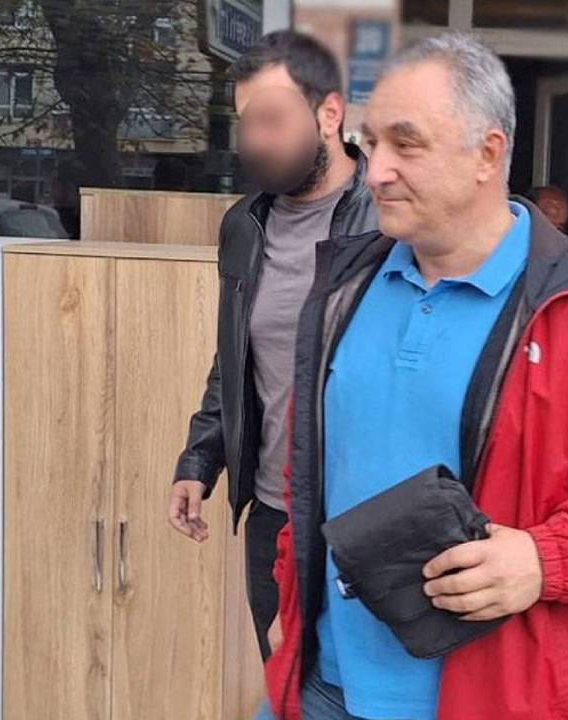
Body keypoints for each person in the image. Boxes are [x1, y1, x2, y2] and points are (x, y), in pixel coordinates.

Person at [260, 33, 568, 720]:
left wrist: (546, 559)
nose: (375, 171)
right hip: (325, 686)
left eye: (406, 144)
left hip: (508, 695)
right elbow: (310, 470)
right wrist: (290, 600)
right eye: (370, 143)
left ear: (488, 154)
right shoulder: (342, 288)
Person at [167, 30, 378, 671]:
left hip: (365, 514)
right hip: (274, 515)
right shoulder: (244, 224)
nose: (254, 139)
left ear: (329, 114)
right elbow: (236, 356)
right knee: (287, 687)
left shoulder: (389, 220)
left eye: (272, 119)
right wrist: (200, 460)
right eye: (246, 122)